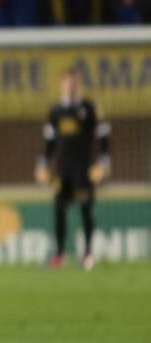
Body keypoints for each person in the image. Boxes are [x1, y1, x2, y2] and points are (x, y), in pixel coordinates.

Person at [36, 68, 111, 270]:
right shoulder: (56, 111)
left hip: (84, 168)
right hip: (63, 170)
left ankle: (88, 254)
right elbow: (49, 141)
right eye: (68, 83)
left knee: (86, 210)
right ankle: (59, 255)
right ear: (62, 84)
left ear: (78, 85)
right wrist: (43, 163)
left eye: (74, 83)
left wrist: (104, 162)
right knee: (59, 209)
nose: (70, 87)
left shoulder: (89, 108)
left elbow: (103, 134)